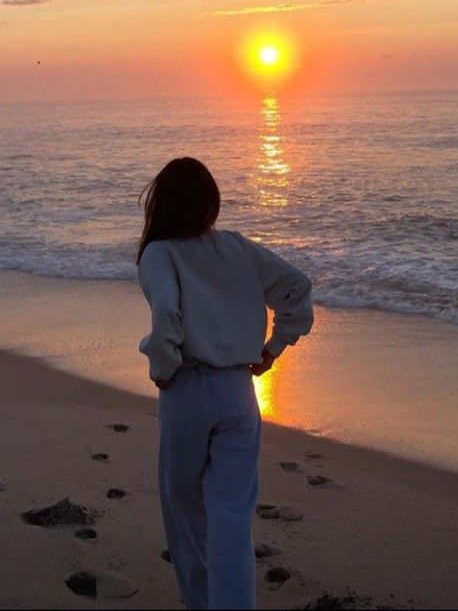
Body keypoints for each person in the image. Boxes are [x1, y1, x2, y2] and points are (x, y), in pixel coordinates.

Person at [137, 156, 314, 611]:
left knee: (187, 516)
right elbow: (297, 288)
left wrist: (162, 369)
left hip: (187, 390)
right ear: (209, 203)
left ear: (161, 204)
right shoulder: (236, 248)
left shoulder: (160, 253)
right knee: (231, 517)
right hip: (238, 393)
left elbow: (165, 320)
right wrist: (272, 349)